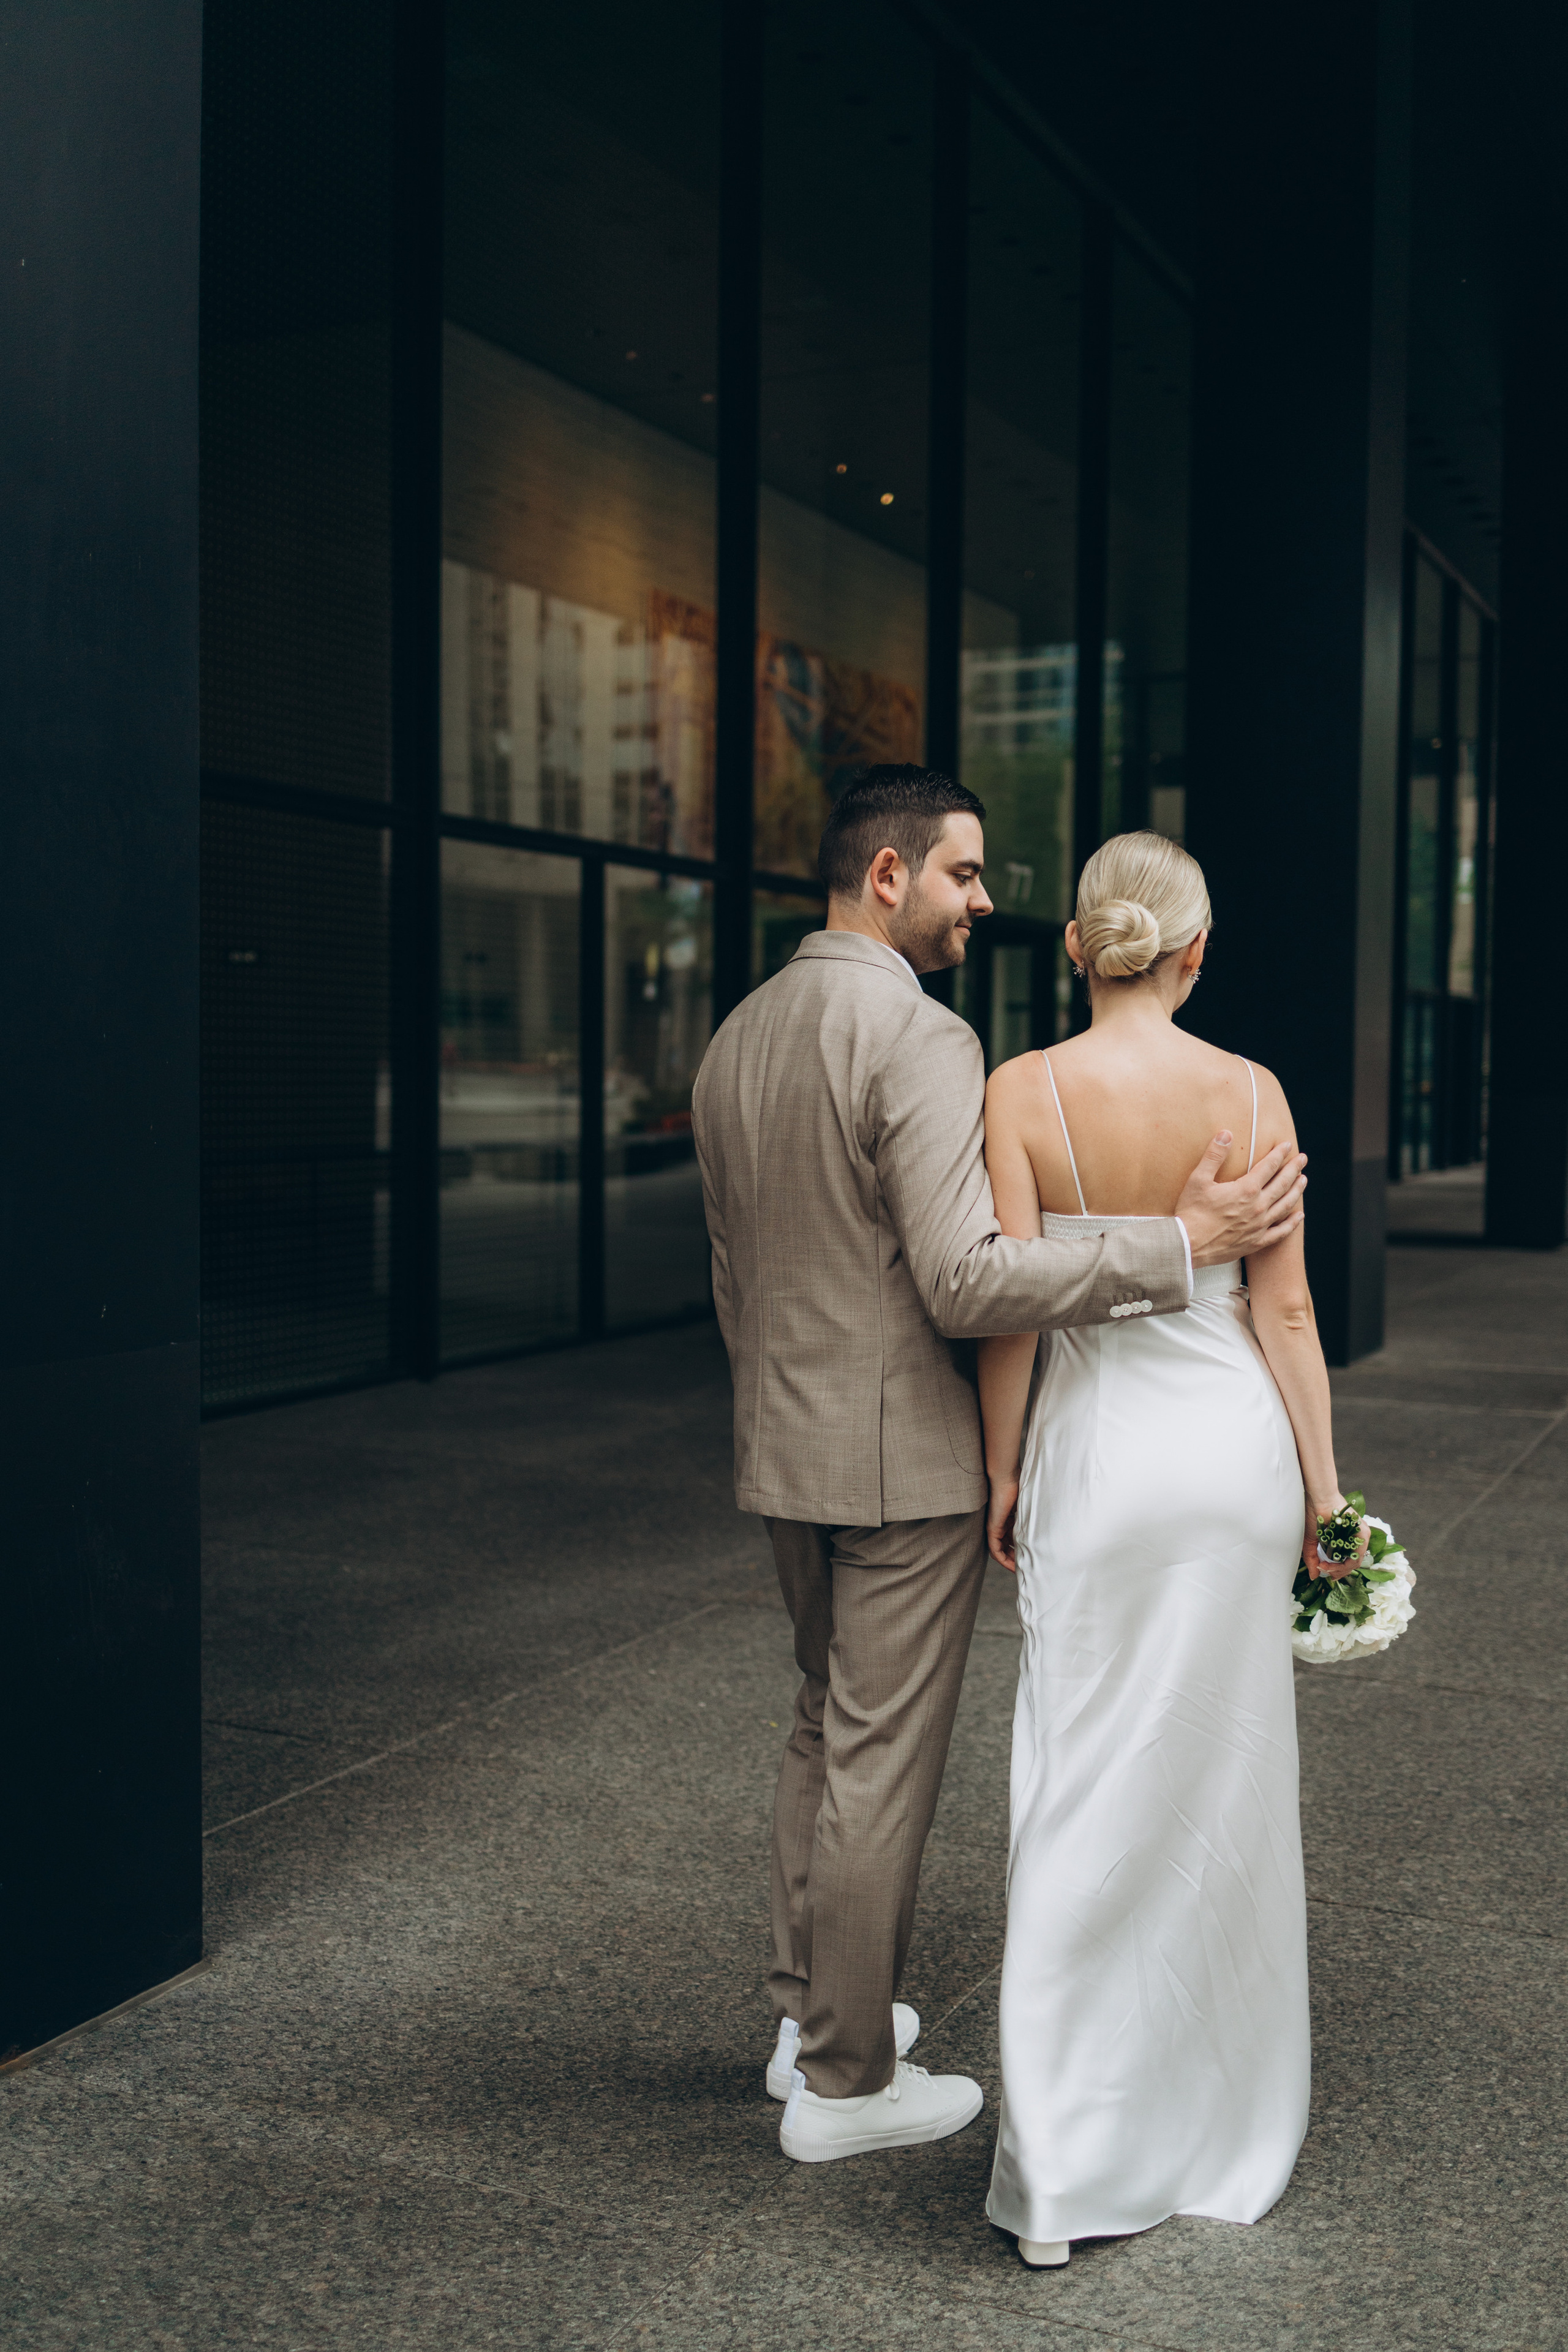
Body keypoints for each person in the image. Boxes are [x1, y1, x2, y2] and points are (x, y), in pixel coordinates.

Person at [690, 769, 1308, 2166]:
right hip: (900, 1461)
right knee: (877, 1764)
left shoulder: (737, 1035)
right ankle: (846, 2086)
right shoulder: (916, 1037)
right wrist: (1176, 1247)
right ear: (890, 874)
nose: (984, 904)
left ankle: (806, 2020)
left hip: (780, 1446)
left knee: (819, 1725)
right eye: (966, 876)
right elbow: (967, 1281)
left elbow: (735, 1274)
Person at [979, 831, 1355, 2267]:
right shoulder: (1248, 1093)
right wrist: (1325, 1501)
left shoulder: (1019, 1091)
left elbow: (1014, 1303)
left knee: (1075, 1786)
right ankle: (1212, 2133)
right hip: (1228, 1462)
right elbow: (1287, 1319)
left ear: (1077, 946)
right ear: (1193, 954)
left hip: (1100, 1457)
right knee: (1223, 1788)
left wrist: (1002, 1468)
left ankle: (1066, 2177)